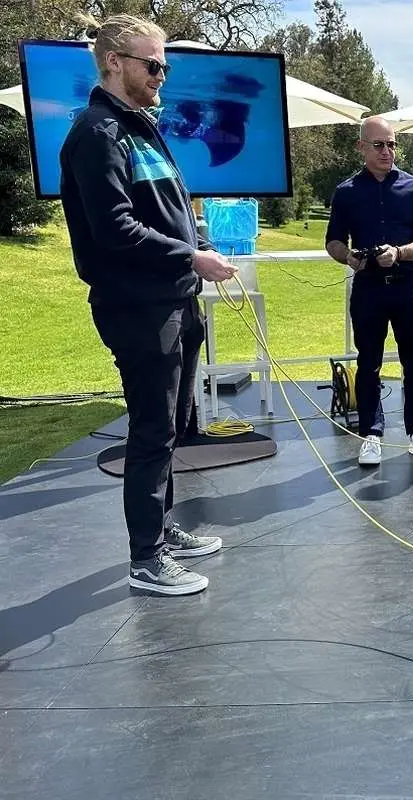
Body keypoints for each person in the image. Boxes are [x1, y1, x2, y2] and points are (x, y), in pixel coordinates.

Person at [58, 13, 234, 596]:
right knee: (153, 428)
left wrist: (196, 241)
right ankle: (147, 558)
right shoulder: (97, 133)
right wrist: (191, 257)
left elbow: (164, 208)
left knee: (175, 423)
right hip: (138, 307)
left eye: (165, 67)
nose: (162, 76)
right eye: (153, 65)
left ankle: (162, 528)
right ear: (114, 62)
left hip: (176, 300)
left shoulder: (140, 129)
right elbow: (114, 229)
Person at [325, 116, 413, 466]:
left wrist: (400, 253)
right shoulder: (346, 192)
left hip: (408, 287)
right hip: (368, 288)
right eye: (378, 145)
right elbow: (333, 241)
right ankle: (371, 434)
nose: (387, 151)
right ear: (361, 147)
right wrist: (348, 257)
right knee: (368, 363)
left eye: (391, 144)